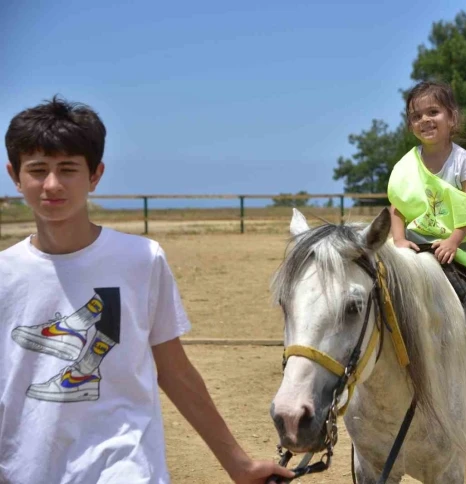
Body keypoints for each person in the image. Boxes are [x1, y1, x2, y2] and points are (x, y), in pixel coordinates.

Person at [0, 96, 294, 484]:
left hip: (125, 466)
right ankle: (68, 329)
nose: (52, 184)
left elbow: (174, 371)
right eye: (37, 170)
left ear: (95, 175)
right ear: (15, 176)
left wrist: (237, 464)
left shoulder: (140, 259)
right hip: (26, 468)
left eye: (67, 169)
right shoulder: (5, 274)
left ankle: (77, 333)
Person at [387, 81, 466, 383]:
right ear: (410, 125)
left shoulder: (462, 161)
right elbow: (397, 207)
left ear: (452, 118)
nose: (425, 120)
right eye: (416, 116)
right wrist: (399, 240)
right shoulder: (407, 166)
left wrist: (454, 239)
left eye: (433, 112)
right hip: (416, 245)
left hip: (457, 243)